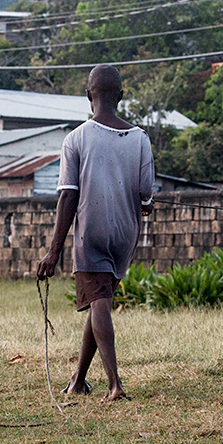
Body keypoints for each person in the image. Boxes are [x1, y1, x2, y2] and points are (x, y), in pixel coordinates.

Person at [36, 64, 154, 402]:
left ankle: (114, 384)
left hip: (92, 232)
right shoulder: (140, 139)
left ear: (89, 97)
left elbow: (68, 195)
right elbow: (145, 193)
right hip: (126, 235)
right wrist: (145, 204)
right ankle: (78, 380)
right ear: (121, 96)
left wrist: (54, 251)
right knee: (98, 301)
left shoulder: (76, 139)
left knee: (98, 301)